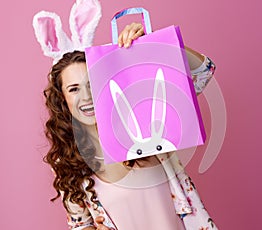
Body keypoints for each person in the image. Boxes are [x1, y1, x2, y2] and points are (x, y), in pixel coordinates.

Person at [33, 2, 217, 229]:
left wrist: (151, 44)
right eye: (74, 89)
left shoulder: (142, 118)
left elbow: (203, 72)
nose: (87, 96)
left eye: (92, 84)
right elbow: (80, 224)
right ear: (63, 100)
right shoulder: (68, 162)